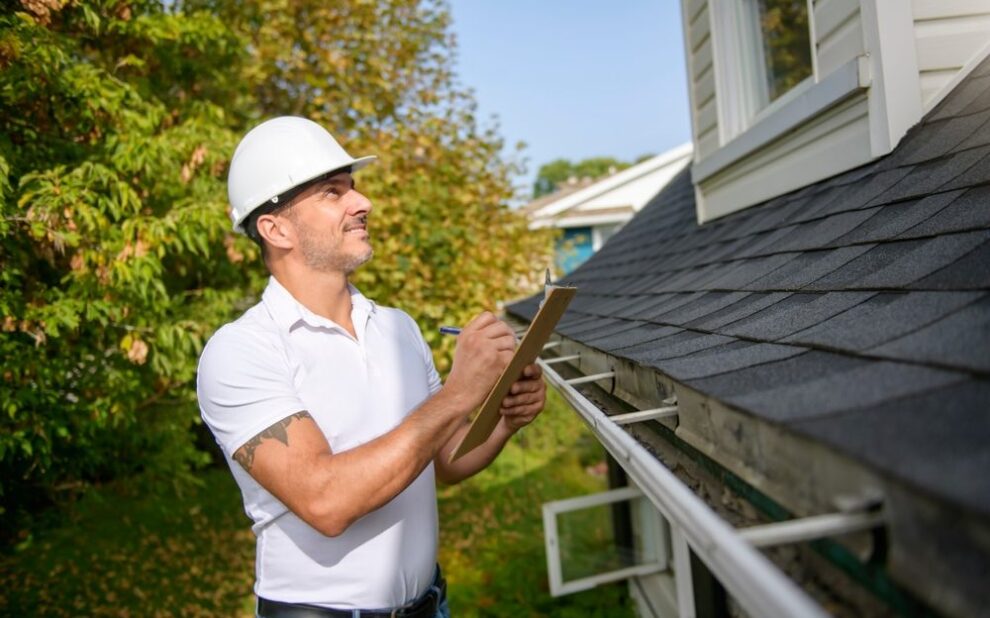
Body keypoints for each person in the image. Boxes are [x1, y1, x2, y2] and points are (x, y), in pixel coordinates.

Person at [196, 116, 546, 618]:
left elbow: (446, 460)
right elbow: (326, 502)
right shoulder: (242, 351)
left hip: (430, 606)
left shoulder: (398, 328)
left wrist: (506, 419)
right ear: (276, 229)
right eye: (332, 192)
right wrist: (459, 393)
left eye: (353, 187)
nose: (363, 203)